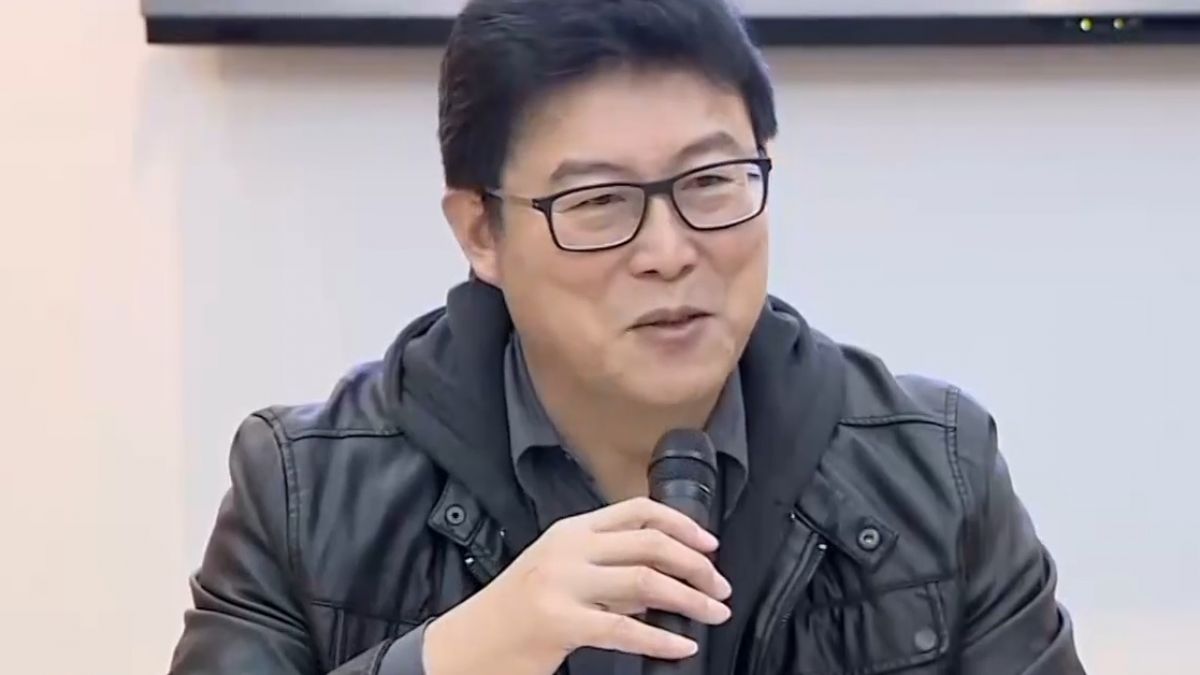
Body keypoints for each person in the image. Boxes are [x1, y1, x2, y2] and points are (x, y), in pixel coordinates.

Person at [168, 0, 1087, 673]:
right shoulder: (305, 490)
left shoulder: (939, 470)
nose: (670, 251)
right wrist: (453, 657)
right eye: (600, 201)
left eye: (711, 181)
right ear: (482, 231)